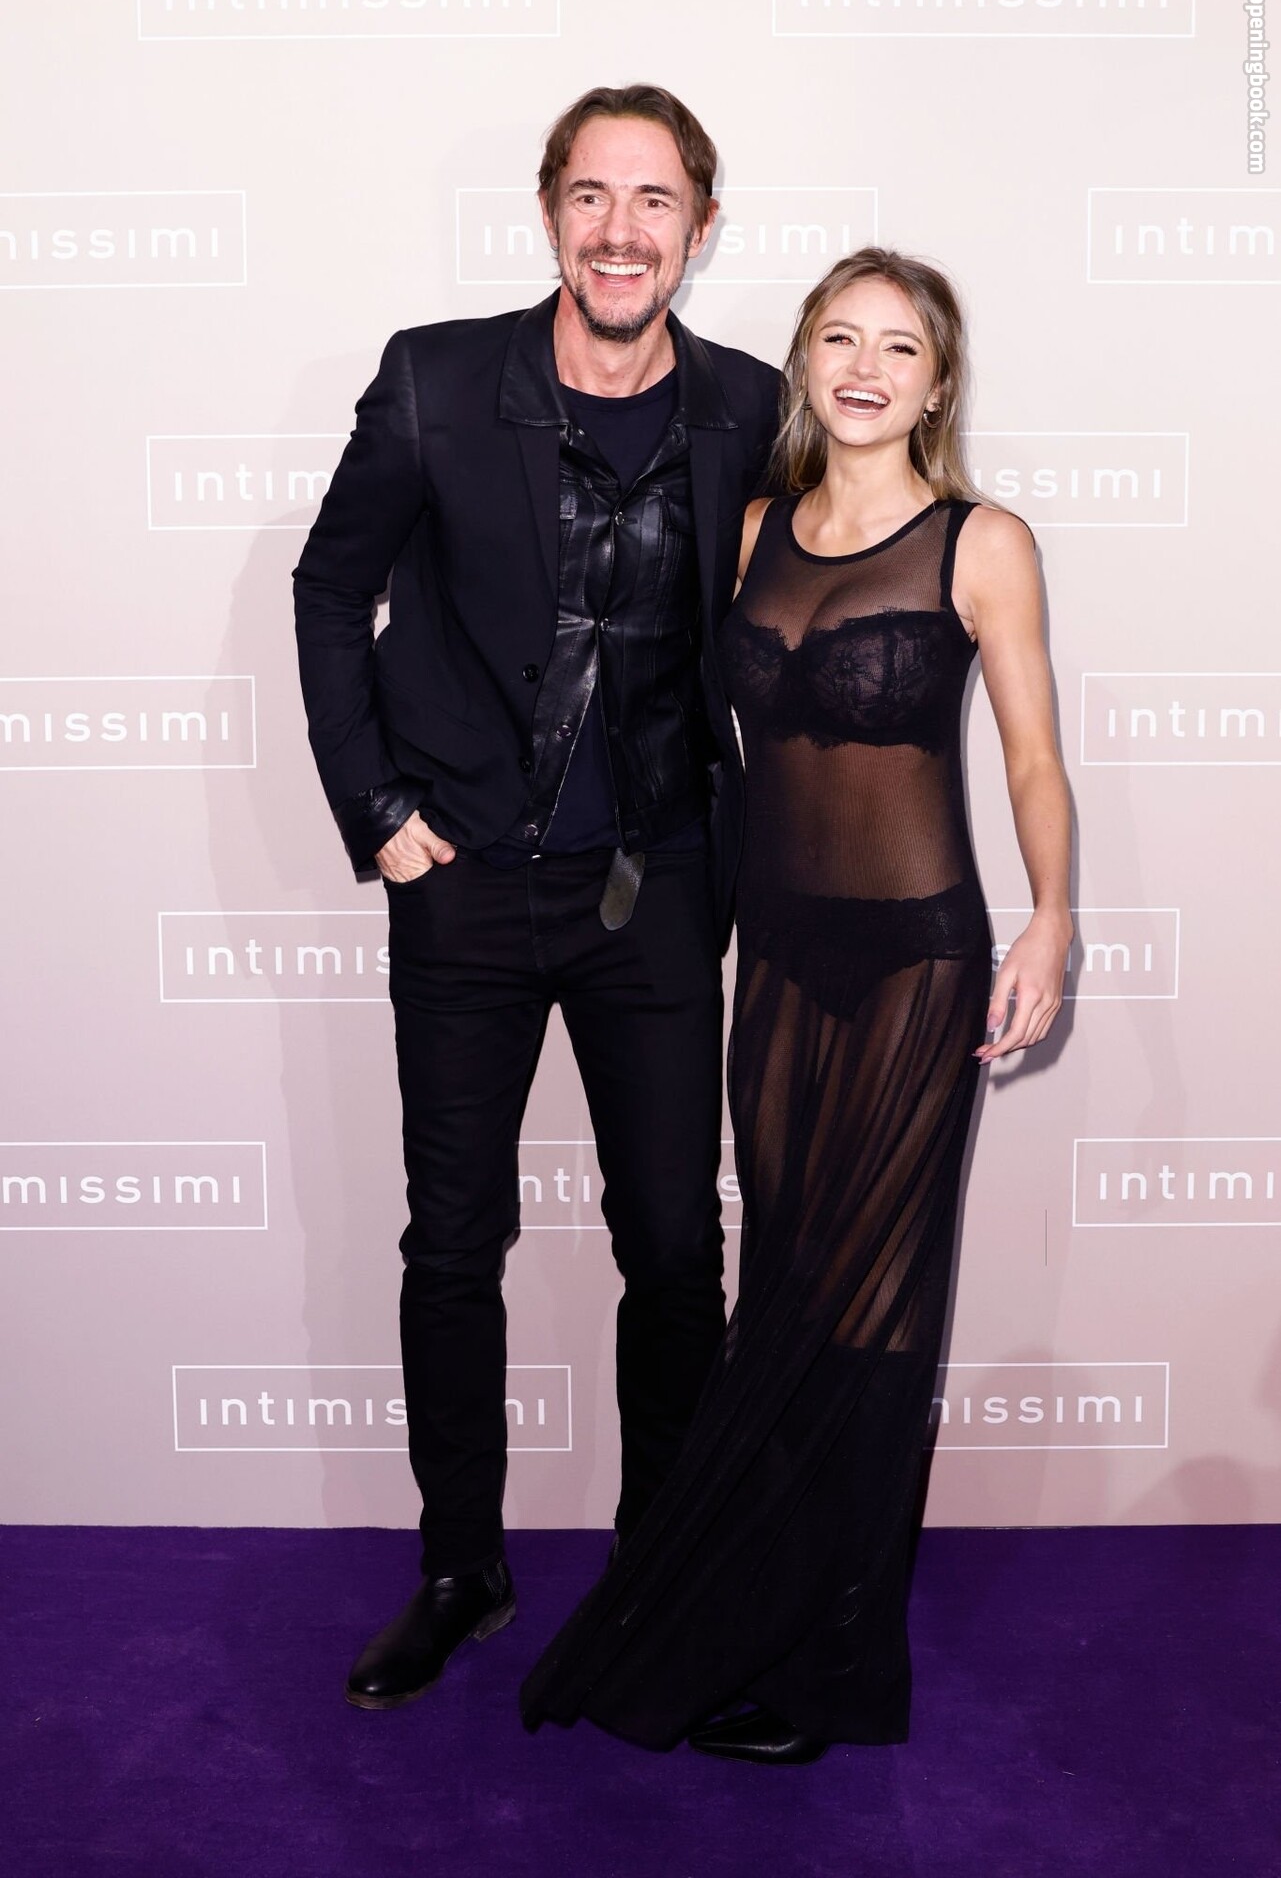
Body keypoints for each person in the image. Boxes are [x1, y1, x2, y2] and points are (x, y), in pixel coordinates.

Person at [520, 247, 1073, 1763]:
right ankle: (745, 1617)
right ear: (805, 360)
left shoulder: (980, 543)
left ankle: (841, 1671)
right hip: (768, 952)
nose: (864, 368)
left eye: (899, 347)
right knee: (781, 1290)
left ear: (937, 383)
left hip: (915, 958)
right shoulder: (754, 528)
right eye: (840, 337)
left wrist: (1052, 919)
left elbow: (1030, 756)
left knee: (871, 1311)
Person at [292, 85, 779, 1709]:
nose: (618, 232)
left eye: (653, 201)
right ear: (550, 211)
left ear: (700, 227)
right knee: (453, 1239)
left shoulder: (749, 406)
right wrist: (377, 814)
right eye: (590, 196)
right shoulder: (435, 381)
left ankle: (663, 1564)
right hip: (465, 890)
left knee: (673, 1246)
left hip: (657, 887)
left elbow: (833, 587)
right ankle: (461, 1568)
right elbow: (329, 589)